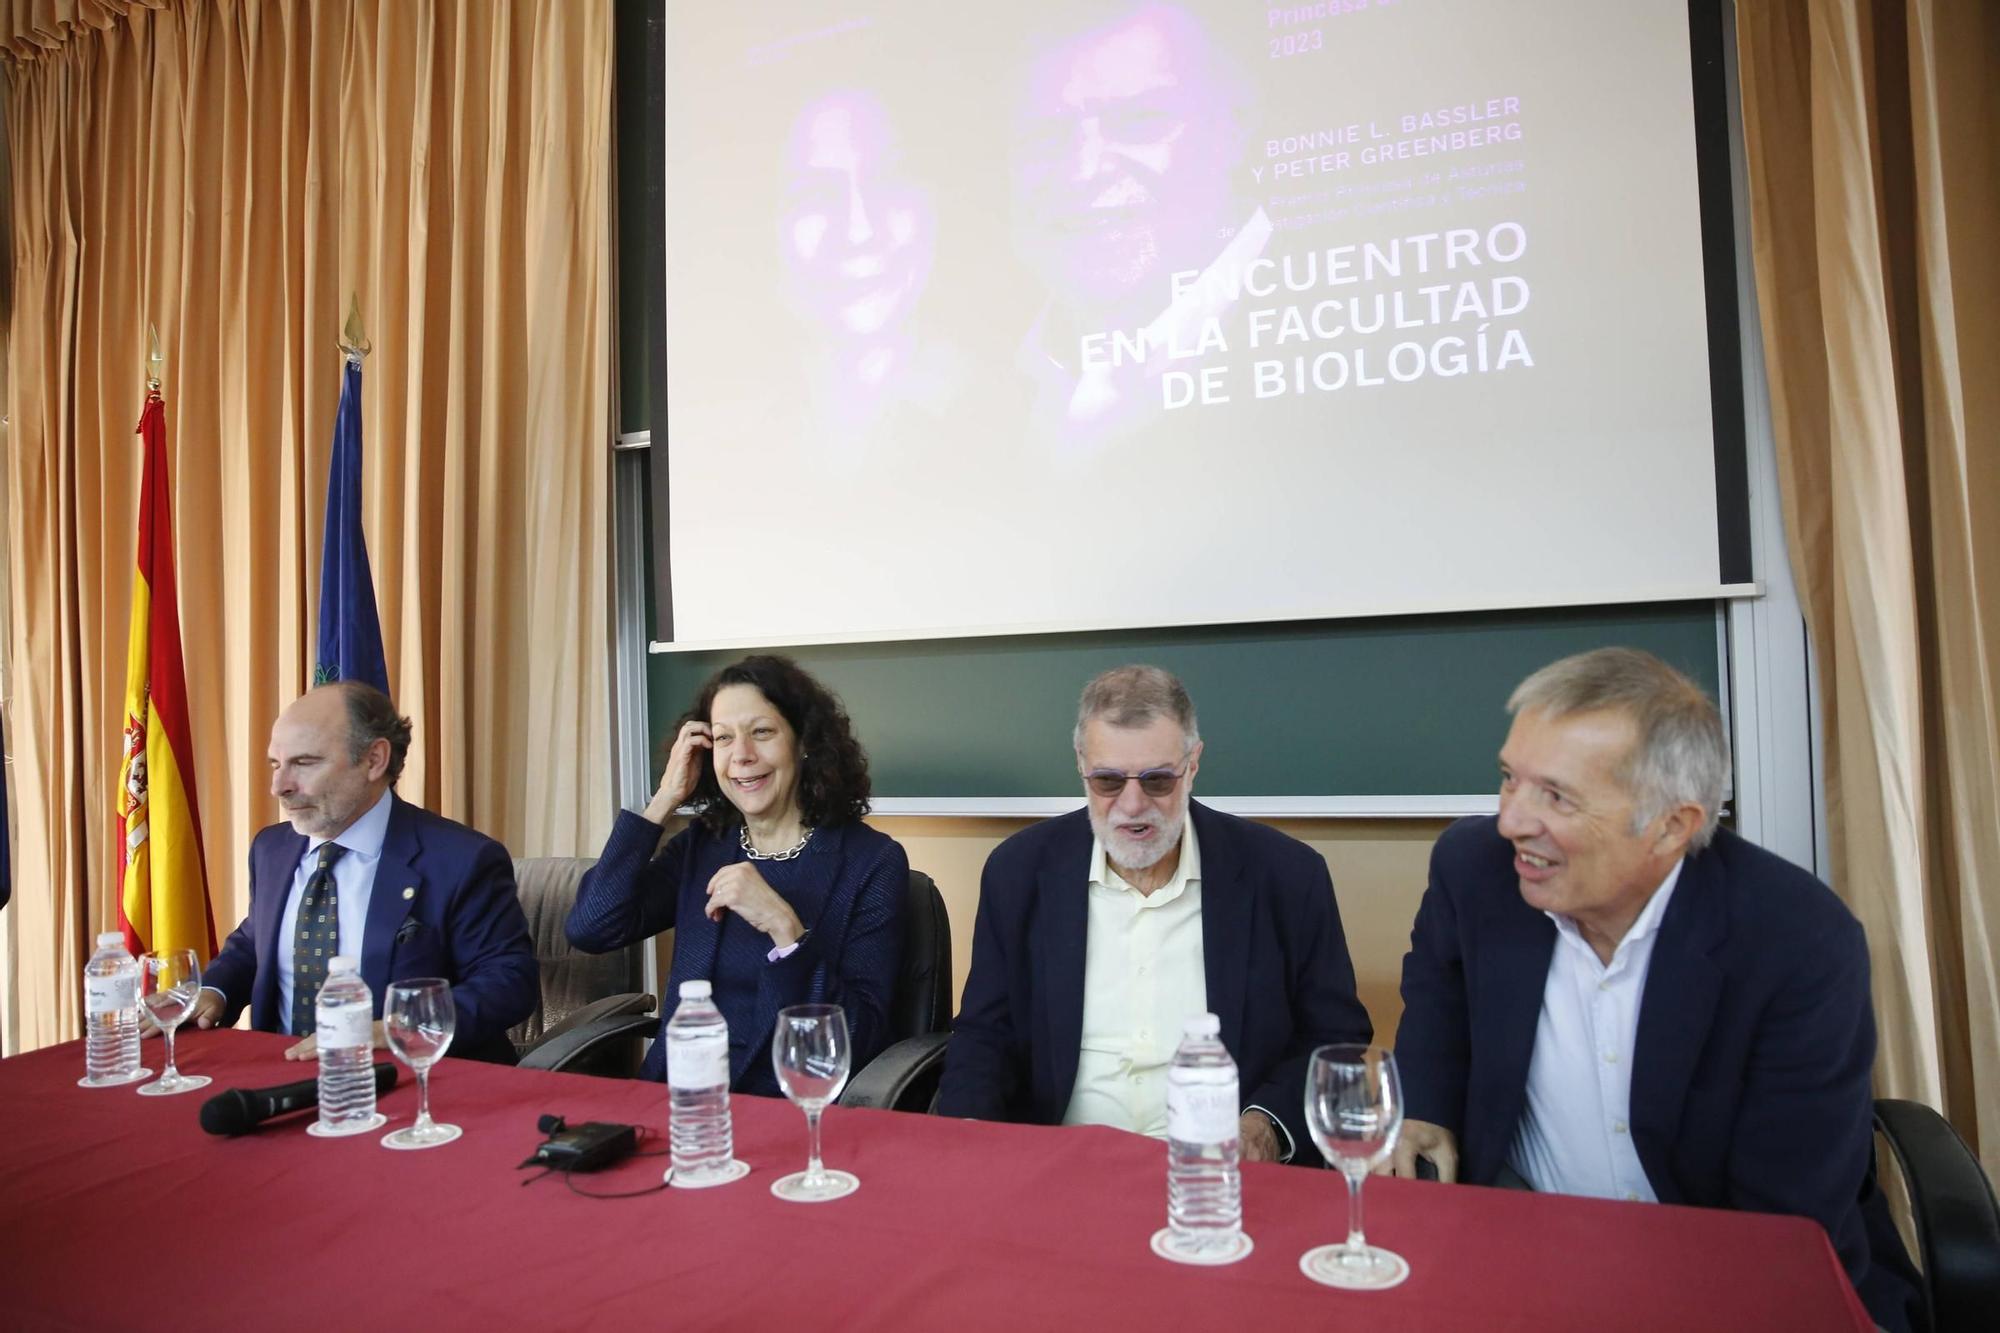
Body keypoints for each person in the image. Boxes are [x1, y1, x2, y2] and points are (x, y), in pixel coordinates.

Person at [1388, 648, 1918, 1331]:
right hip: (1525, 1251)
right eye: (1509, 779)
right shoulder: (1475, 873)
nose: (1511, 821)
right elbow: (1438, 993)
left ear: (1672, 823)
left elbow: (1782, 1230)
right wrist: (1423, 1107)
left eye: (1556, 795)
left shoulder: (1799, 944)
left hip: (1733, 1285)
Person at [937, 665, 1371, 1163]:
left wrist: (1264, 1125)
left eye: (1158, 780)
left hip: (1219, 1176)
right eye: (1106, 781)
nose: (1133, 804)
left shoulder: (1287, 877)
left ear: (1193, 765)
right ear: (1081, 764)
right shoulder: (1018, 873)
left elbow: (1335, 1039)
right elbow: (985, 1035)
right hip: (1058, 1167)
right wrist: (965, 1139)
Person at [566, 655, 907, 1092]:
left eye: (762, 733)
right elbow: (592, 927)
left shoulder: (872, 862)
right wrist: (663, 800)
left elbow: (862, 1041)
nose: (742, 756)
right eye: (724, 738)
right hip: (682, 1101)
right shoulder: (702, 846)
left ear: (804, 741)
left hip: (789, 1107)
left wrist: (785, 930)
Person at [180, 681, 537, 1065]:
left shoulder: (461, 859)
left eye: (303, 763)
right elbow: (256, 941)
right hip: (279, 1079)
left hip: (415, 1085)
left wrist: (396, 1030)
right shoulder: (272, 848)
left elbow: (509, 985)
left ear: (373, 760)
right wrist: (213, 991)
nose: (279, 787)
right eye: (275, 764)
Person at [1010, 3, 1267, 443]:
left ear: (1234, 128)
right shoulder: (973, 373)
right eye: (1044, 136)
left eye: (1140, 120)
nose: (1081, 171)